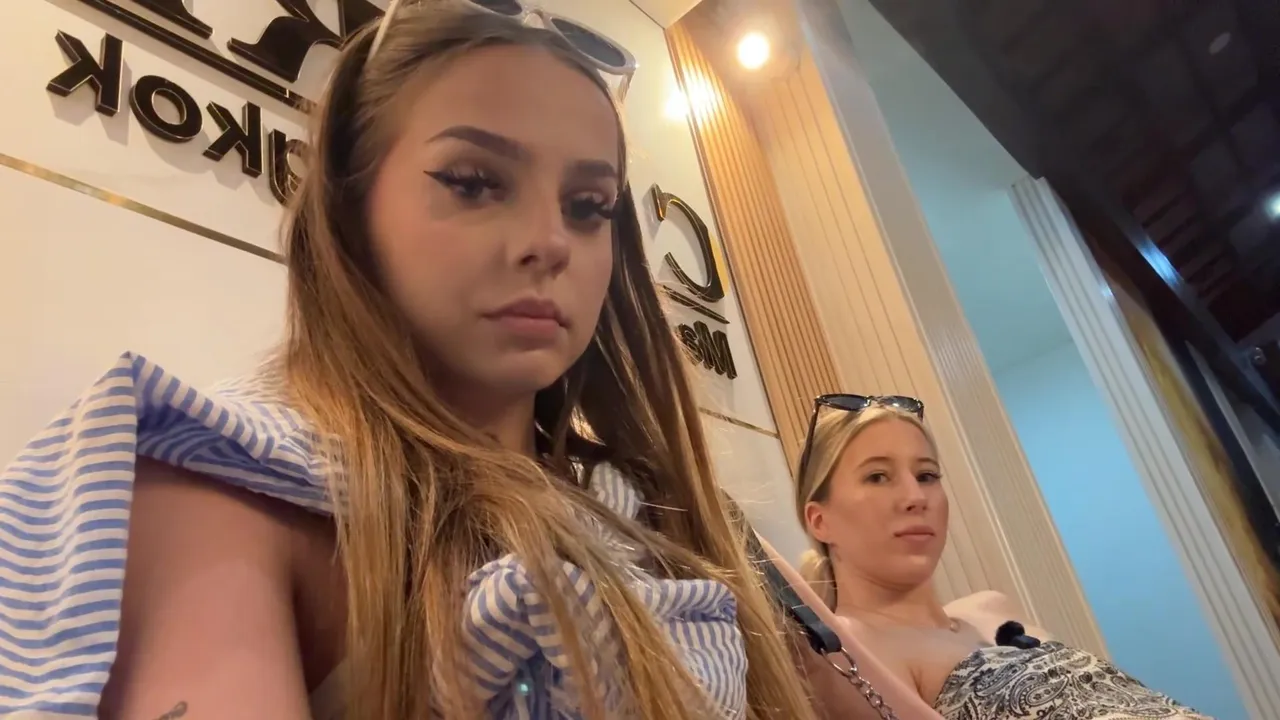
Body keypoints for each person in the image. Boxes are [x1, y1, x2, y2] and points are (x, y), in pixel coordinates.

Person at [0, 3, 846, 718]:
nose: (551, 240)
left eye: (589, 205)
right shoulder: (225, 485)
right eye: (474, 181)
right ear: (349, 206)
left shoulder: (662, 509)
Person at [793, 394, 1216, 720]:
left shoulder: (991, 607)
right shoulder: (847, 648)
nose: (915, 496)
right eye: (877, 477)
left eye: (927, 475)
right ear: (819, 520)